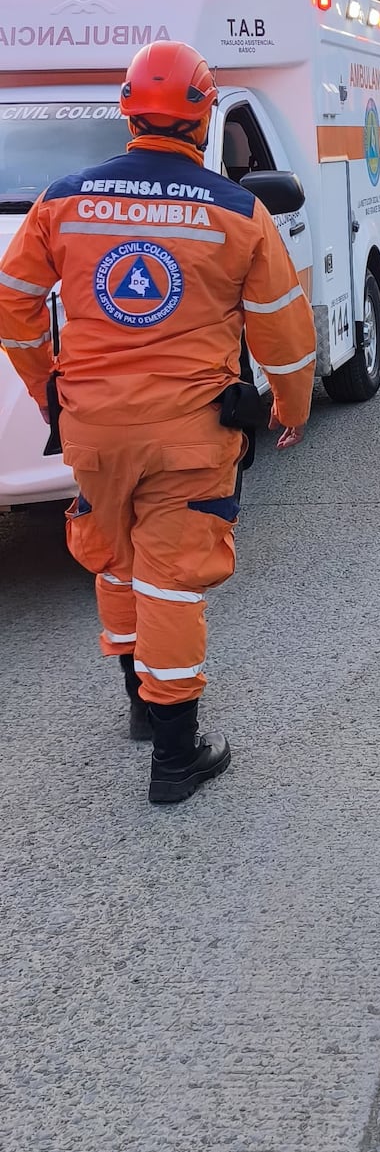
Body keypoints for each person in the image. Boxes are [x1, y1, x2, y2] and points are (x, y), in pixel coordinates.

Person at [0, 40, 315, 804]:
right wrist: (290, 406)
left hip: (93, 426)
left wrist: (49, 389)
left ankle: (141, 708)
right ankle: (176, 757)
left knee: (112, 555)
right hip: (190, 429)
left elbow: (14, 306)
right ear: (203, 114)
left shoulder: (63, 200)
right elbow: (282, 326)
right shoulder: (237, 210)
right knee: (171, 580)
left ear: (127, 109)